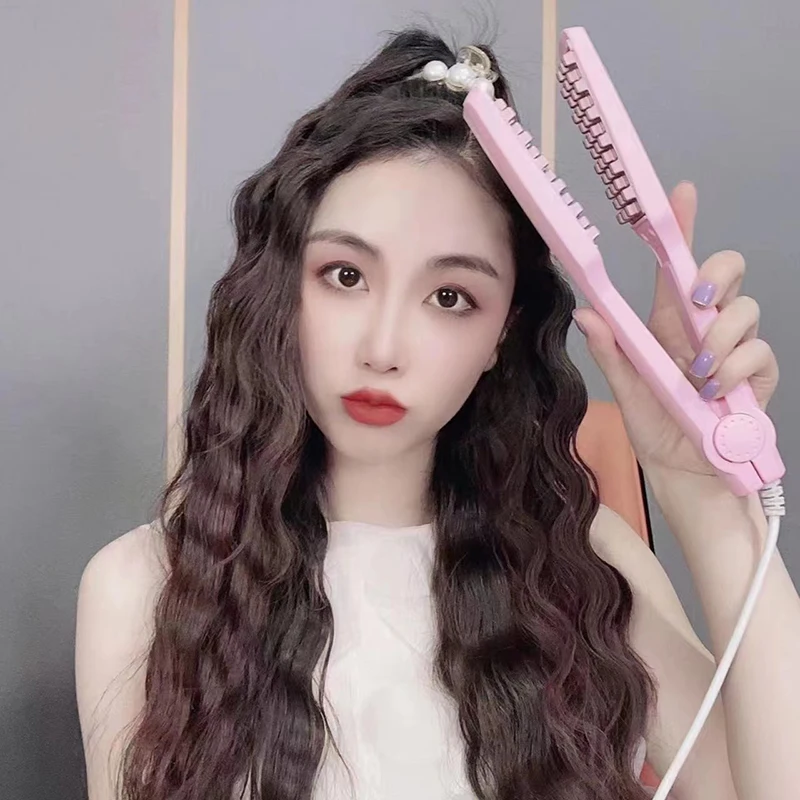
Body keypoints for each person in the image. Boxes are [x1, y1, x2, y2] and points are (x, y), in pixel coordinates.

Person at [75, 23, 782, 800]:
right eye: (345, 276)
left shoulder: (584, 568)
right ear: (283, 287)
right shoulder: (144, 589)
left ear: (503, 332)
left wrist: (707, 499)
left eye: (450, 297)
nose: (383, 349)